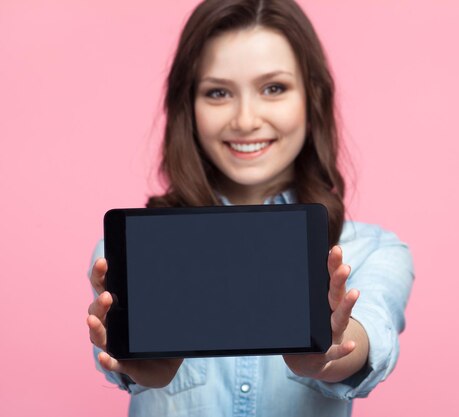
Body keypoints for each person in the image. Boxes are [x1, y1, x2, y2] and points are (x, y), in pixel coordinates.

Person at [86, 0, 414, 416]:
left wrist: (333, 350)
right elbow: (126, 363)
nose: (245, 119)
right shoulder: (131, 251)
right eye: (218, 92)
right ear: (189, 106)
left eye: (273, 88)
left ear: (312, 98)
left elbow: (369, 337)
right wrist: (135, 366)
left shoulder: (373, 250)